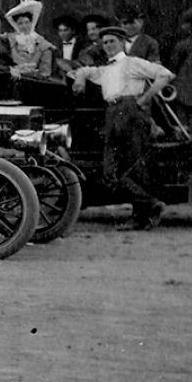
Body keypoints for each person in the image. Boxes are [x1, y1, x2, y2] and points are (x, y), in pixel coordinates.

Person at [71, 26, 175, 230]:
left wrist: (146, 97)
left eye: (112, 42)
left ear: (122, 43)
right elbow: (83, 70)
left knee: (134, 166)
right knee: (110, 170)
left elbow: (165, 75)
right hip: (112, 114)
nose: (108, 46)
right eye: (105, 42)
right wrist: (80, 78)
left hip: (131, 113)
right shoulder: (105, 69)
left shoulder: (132, 63)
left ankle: (141, 217)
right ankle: (151, 204)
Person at [3, 0, 54, 80]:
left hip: (35, 82)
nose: (24, 26)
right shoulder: (9, 40)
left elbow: (45, 72)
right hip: (13, 80)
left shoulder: (42, 44)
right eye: (20, 23)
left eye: (27, 22)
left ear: (32, 22)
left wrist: (30, 72)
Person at [49, 13, 87, 80]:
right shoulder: (56, 47)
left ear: (73, 31)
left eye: (65, 30)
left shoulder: (82, 45)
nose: (62, 33)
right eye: (60, 31)